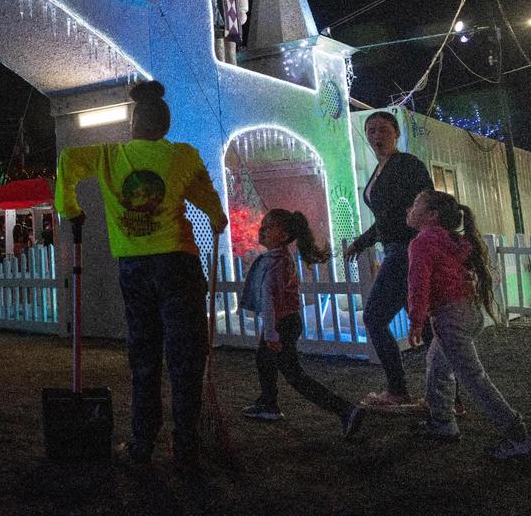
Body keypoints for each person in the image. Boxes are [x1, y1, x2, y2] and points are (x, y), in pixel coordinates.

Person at [54, 80, 228, 472]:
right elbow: (206, 195)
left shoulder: (109, 156)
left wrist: (70, 207)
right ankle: (186, 449)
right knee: (185, 359)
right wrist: (217, 218)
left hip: (133, 267)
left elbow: (66, 161)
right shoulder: (183, 156)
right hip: (177, 263)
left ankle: (142, 444)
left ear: (134, 124)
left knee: (144, 358)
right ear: (165, 126)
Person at [405, 190, 531, 459]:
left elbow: (419, 284)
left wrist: (416, 321)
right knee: (438, 365)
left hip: (450, 317)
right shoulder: (453, 240)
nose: (410, 208)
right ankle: (442, 424)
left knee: (473, 378)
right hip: (468, 312)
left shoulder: (422, 242)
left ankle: (516, 434)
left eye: (416, 204)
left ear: (432, 215)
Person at [241, 209, 365, 437]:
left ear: (284, 234)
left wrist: (270, 333)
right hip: (284, 321)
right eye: (263, 225)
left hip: (280, 323)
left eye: (269, 227)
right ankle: (268, 403)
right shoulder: (276, 259)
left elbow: (270, 300)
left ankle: (345, 410)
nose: (262, 230)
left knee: (294, 374)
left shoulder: (276, 263)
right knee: (264, 360)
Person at [343, 111, 433, 408]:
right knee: (427, 324)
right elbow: (384, 219)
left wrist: (422, 244)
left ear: (396, 134)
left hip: (408, 250)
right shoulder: (380, 169)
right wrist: (361, 242)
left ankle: (399, 390)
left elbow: (426, 205)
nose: (376, 136)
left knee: (374, 317)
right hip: (397, 249)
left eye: (383, 129)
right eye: (370, 130)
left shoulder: (407, 165)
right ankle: (445, 398)